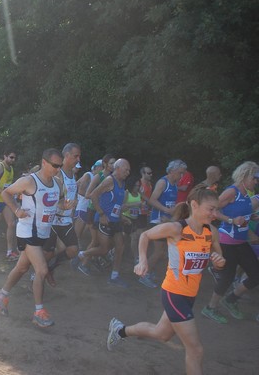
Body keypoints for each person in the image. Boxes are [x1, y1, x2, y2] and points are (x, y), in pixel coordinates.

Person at [107, 185, 226, 375]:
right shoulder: (176, 228)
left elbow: (219, 261)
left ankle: (120, 330)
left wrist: (219, 261)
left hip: (190, 295)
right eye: (211, 209)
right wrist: (143, 260)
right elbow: (145, 235)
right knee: (195, 350)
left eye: (217, 209)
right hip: (174, 293)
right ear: (194, 205)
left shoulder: (212, 232)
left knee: (161, 334)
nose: (215, 214)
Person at [0, 148, 62, 328]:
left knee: (22, 268)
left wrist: (65, 204)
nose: (58, 169)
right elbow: (6, 192)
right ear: (44, 162)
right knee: (42, 270)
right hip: (27, 232)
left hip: (43, 233)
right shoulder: (29, 181)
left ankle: (1, 295)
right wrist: (16, 210)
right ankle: (39, 312)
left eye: (60, 166)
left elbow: (56, 202)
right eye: (55, 165)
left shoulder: (57, 183)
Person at [201, 161, 259, 324]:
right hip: (227, 241)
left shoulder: (247, 193)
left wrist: (251, 217)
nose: (256, 181)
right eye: (254, 178)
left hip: (240, 242)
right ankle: (210, 308)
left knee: (256, 274)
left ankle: (231, 300)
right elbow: (213, 210)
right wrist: (231, 220)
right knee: (227, 277)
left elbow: (243, 215)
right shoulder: (231, 192)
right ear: (245, 176)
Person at [76, 159, 131, 286]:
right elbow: (93, 195)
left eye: (129, 170)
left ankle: (114, 276)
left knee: (120, 246)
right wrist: (101, 213)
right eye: (125, 169)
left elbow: (116, 204)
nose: (128, 172)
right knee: (103, 249)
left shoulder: (122, 183)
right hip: (104, 220)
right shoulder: (109, 180)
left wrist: (122, 216)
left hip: (115, 220)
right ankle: (82, 254)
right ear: (117, 169)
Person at [141, 159, 187, 288]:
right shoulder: (163, 182)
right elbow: (152, 200)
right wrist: (166, 210)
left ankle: (149, 270)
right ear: (172, 171)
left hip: (168, 222)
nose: (181, 176)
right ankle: (144, 274)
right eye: (180, 173)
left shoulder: (174, 184)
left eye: (183, 173)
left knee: (163, 252)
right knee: (159, 252)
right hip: (158, 220)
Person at [46, 143, 81, 284]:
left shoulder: (72, 174)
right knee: (48, 252)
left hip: (66, 220)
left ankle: (49, 269)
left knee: (73, 250)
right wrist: (62, 204)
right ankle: (37, 274)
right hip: (53, 220)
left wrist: (75, 201)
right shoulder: (57, 174)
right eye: (75, 156)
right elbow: (49, 197)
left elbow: (73, 193)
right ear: (66, 156)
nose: (78, 159)